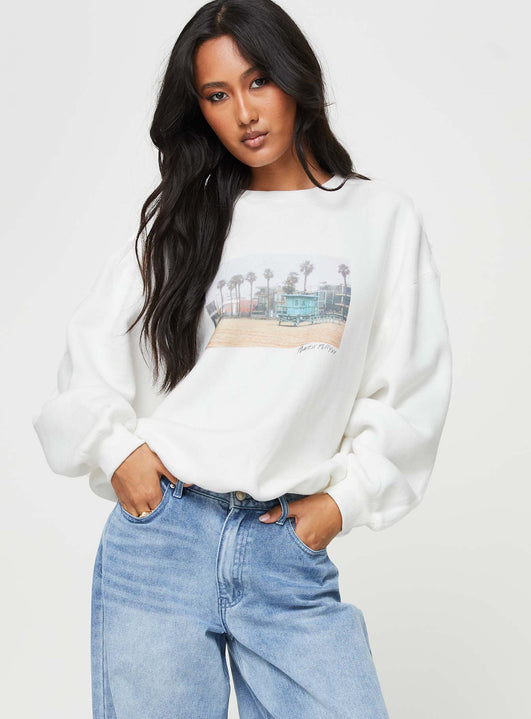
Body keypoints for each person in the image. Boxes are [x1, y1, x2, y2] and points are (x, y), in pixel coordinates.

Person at [32, 1, 452, 717]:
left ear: (295, 78)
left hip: (284, 548)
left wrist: (340, 504)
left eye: (258, 81)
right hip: (165, 540)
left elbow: (410, 387)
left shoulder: (380, 219)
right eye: (217, 95)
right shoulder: (187, 221)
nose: (245, 113)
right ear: (199, 110)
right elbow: (91, 349)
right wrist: (117, 450)